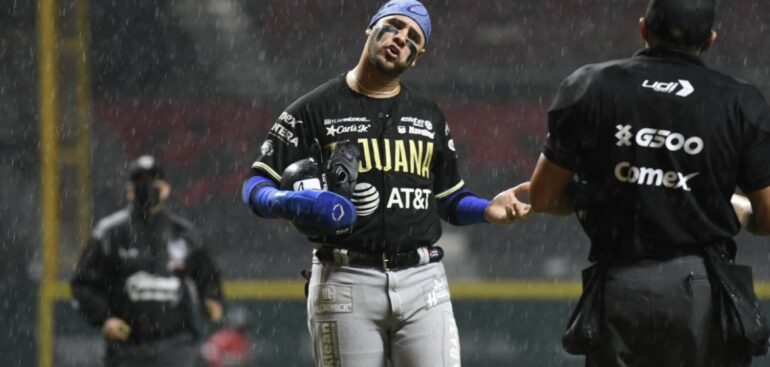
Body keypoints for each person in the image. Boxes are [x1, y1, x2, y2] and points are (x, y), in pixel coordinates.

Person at [241, 1, 530, 365]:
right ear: (371, 28)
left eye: (413, 39)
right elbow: (255, 185)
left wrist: (487, 209)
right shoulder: (313, 109)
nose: (400, 39)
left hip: (423, 280)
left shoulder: (429, 116)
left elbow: (448, 199)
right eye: (394, 26)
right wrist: (289, 203)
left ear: (417, 57)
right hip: (344, 278)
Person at [526, 0, 770, 366]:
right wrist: (731, 205)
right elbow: (767, 218)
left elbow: (542, 197)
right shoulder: (741, 101)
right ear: (711, 40)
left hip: (619, 288)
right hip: (701, 293)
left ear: (643, 28)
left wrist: (605, 191)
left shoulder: (590, 85)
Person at [71, 154, 224, 367]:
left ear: (166, 188)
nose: (147, 188)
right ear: (129, 189)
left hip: (176, 342)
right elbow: (83, 283)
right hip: (128, 344)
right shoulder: (109, 233)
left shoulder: (184, 233)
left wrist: (211, 297)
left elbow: (208, 274)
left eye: (153, 182)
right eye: (140, 182)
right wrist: (104, 318)